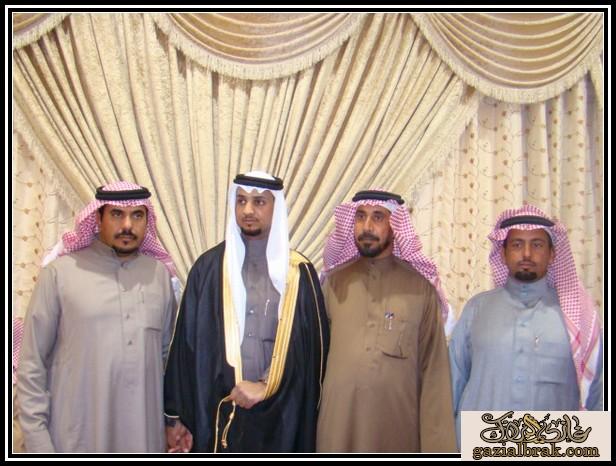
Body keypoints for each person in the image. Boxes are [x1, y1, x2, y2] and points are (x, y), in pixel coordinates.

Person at [164, 171, 329, 453]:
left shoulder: (299, 273)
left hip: (280, 415)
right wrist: (175, 416)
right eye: (241, 201)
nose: (248, 210)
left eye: (259, 202)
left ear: (276, 207)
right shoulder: (208, 268)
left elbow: (312, 353)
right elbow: (184, 348)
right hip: (217, 411)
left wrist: (266, 384)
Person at [17, 181, 178, 453]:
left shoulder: (159, 276)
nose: (127, 225)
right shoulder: (59, 274)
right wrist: (38, 442)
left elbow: (166, 361)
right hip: (75, 439)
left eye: (137, 215)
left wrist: (173, 423)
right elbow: (32, 365)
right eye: (116, 214)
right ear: (98, 218)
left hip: (144, 440)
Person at [448, 204, 603, 448]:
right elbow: (452, 384)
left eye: (537, 245)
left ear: (553, 254)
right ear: (503, 253)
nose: (527, 253)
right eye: (517, 244)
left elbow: (597, 397)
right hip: (482, 445)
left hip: (552, 447)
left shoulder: (579, 318)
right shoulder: (477, 309)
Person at [316, 189, 457, 453]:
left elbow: (434, 375)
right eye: (360, 216)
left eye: (378, 217)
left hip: (396, 432)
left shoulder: (420, 289)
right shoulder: (333, 284)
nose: (367, 226)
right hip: (337, 430)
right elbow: (313, 362)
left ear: (395, 224)